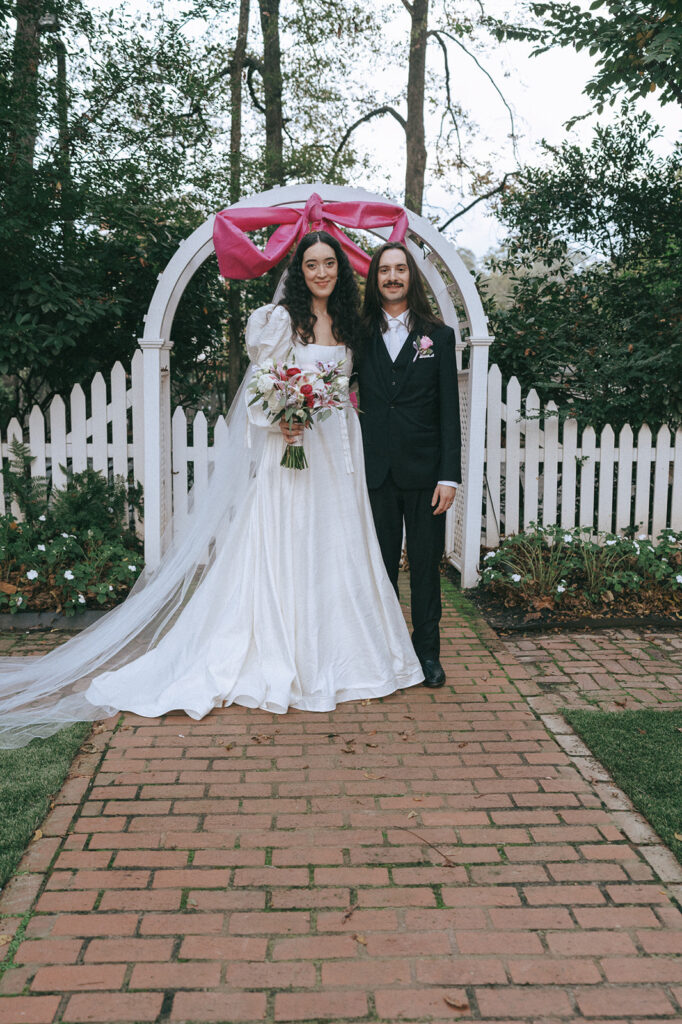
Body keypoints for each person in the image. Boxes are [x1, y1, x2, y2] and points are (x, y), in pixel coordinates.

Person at [16, 230, 417, 728]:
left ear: (341, 270)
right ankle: (283, 652)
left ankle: (346, 652)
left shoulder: (352, 323)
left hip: (337, 451)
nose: (321, 272)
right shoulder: (278, 323)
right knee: (289, 541)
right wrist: (283, 418)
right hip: (292, 448)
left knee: (337, 544)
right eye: (311, 264)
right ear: (299, 272)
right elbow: (256, 396)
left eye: (329, 264)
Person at [357, 242, 461, 689]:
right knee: (378, 568)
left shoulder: (437, 336)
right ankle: (383, 653)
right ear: (375, 278)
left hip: (425, 476)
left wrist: (449, 475)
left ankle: (428, 655)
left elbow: (449, 412)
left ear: (411, 277)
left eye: (400, 269)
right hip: (374, 472)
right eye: (385, 270)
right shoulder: (357, 333)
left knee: (424, 568)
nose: (393, 277)